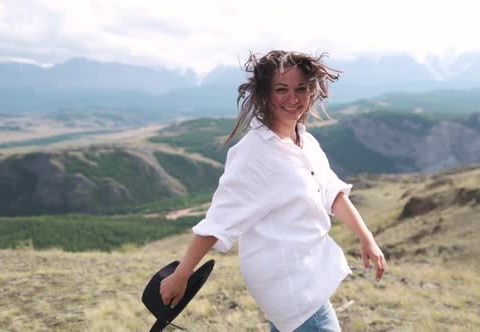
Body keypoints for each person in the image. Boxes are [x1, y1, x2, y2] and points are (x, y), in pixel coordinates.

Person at [159, 50, 386, 332]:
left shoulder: (305, 141)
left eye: (301, 89)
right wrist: (182, 274)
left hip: (305, 275)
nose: (293, 99)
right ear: (264, 94)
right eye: (281, 90)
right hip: (290, 285)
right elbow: (219, 220)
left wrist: (366, 238)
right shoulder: (254, 153)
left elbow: (332, 192)